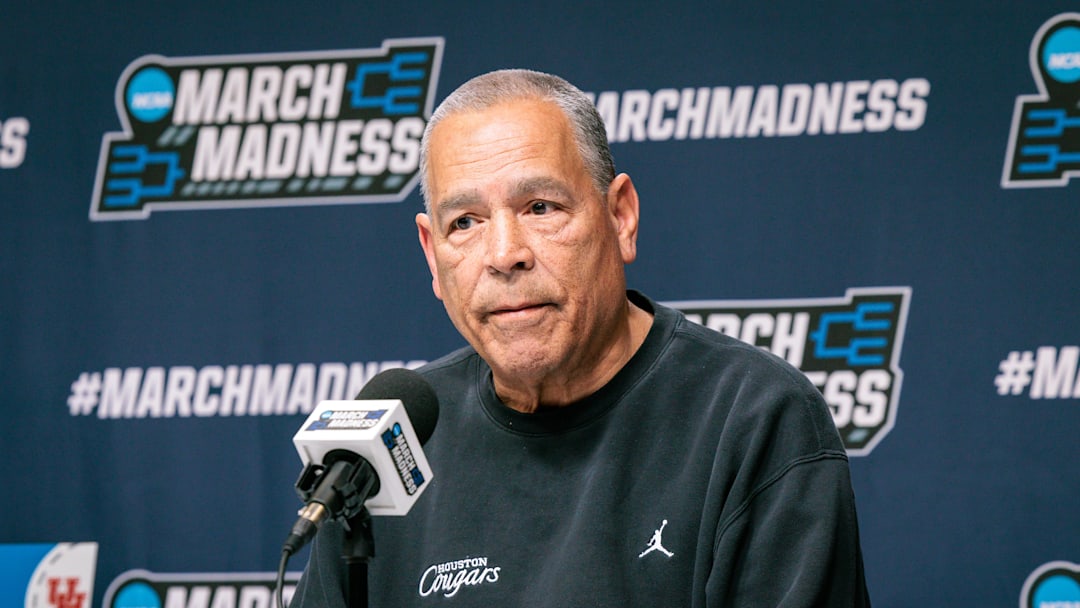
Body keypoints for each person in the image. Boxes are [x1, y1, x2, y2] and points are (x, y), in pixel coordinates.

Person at [290, 69, 871, 607]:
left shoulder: (754, 418)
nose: (503, 255)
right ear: (431, 255)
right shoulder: (389, 444)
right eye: (464, 222)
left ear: (620, 217)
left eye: (540, 207)